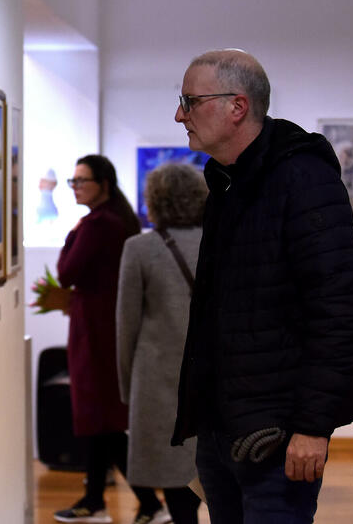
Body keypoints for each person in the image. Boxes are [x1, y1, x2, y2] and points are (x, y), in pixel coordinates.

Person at [170, 49, 353, 523]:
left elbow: (343, 310)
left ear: (237, 106)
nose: (179, 114)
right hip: (225, 428)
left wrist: (311, 427)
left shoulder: (301, 180)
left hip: (276, 436)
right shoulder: (227, 181)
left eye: (189, 100)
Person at [33, 154, 142, 523]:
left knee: (102, 418)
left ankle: (153, 500)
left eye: (82, 181)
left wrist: (75, 232)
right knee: (101, 419)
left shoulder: (96, 225)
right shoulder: (119, 220)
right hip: (107, 327)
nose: (75, 187)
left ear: (104, 185)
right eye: (72, 181)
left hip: (96, 332)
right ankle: (94, 499)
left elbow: (66, 272)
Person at [117, 163, 207, 524]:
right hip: (210, 376)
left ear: (153, 199)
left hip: (157, 375)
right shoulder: (219, 241)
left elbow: (126, 326)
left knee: (169, 466)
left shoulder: (139, 248)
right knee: (203, 463)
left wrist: (127, 388)